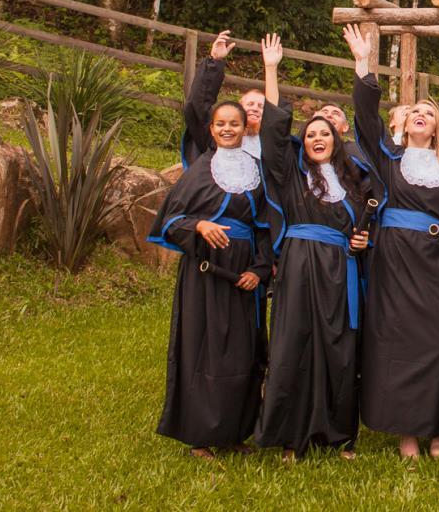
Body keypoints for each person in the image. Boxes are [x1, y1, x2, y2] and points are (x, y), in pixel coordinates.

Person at [345, 27, 439, 460]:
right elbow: (365, 121)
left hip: (437, 263)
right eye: (415, 110)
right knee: (399, 342)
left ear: (438, 125)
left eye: (428, 111)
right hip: (396, 262)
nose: (421, 114)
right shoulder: (389, 158)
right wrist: (363, 65)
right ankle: (407, 437)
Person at [148, 30, 272, 459]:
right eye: (220, 124)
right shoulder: (203, 161)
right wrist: (213, 64)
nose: (225, 129)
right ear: (212, 130)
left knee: (244, 350)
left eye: (233, 124)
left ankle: (236, 432)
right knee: (205, 348)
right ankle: (202, 435)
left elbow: (264, 228)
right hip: (205, 270)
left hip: (244, 272)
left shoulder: (257, 168)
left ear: (245, 127)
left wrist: (260, 269)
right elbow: (174, 220)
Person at [255, 33, 374, 461]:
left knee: (340, 350)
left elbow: (365, 225)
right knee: (293, 346)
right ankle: (292, 438)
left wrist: (361, 241)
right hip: (299, 264)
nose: (317, 138)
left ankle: (339, 436)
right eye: (310, 135)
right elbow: (272, 129)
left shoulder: (353, 180)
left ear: (336, 139)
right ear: (302, 145)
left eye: (325, 133)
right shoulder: (289, 174)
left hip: (341, 270)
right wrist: (271, 70)